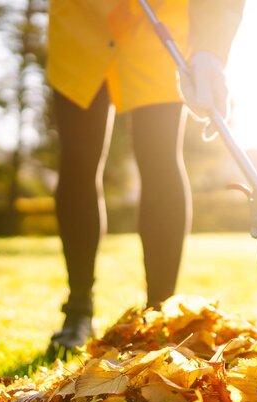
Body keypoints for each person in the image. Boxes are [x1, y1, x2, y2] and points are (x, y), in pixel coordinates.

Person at [45, 0, 245, 354]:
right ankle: (78, 309)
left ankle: (160, 313)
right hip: (82, 16)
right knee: (78, 157)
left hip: (159, 19)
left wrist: (209, 52)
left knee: (159, 156)